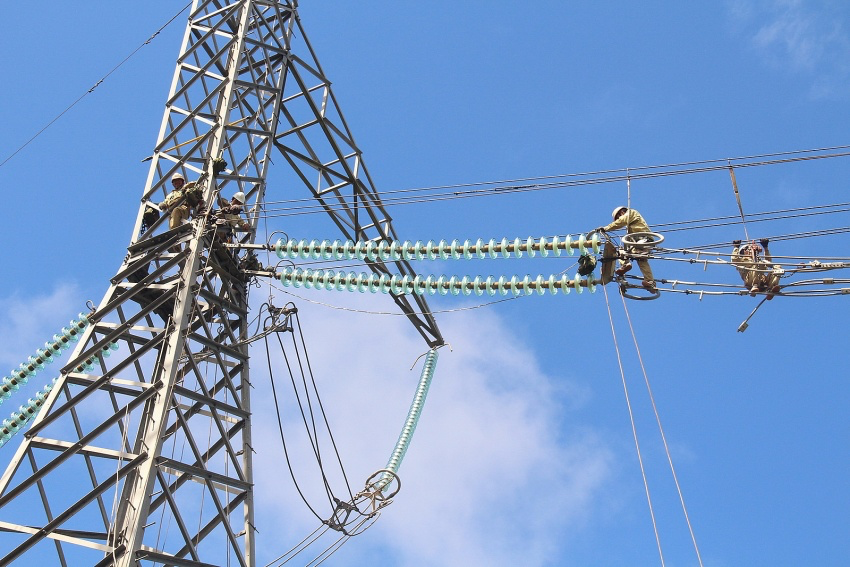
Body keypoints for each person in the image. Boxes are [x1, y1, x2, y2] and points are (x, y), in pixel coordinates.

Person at [594, 206, 656, 291]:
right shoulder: (631, 226)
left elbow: (621, 221)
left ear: (622, 212)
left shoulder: (631, 213)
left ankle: (628, 264)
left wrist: (605, 228)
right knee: (629, 254)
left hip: (644, 239)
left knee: (635, 253)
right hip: (637, 243)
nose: (619, 219)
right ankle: (649, 282)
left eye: (618, 217)